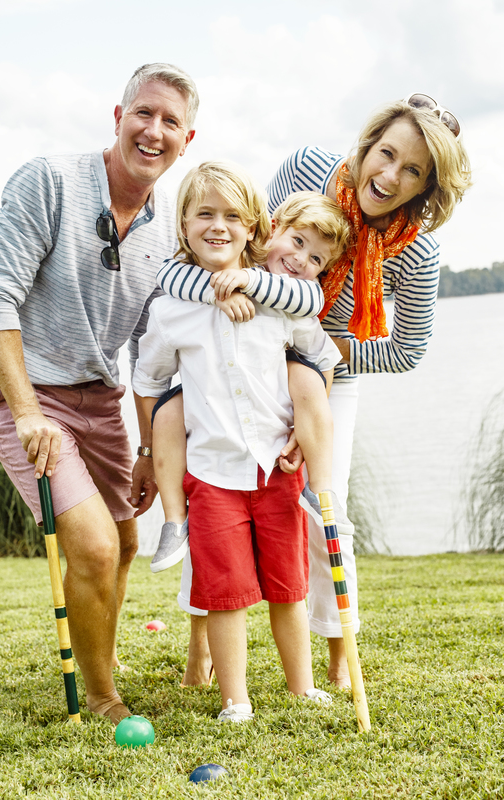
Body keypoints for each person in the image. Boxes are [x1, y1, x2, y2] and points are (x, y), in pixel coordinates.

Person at [163, 94, 472, 688]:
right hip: (243, 357)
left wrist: (319, 355)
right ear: (368, 143)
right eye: (387, 154)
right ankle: (201, 645)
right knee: (214, 494)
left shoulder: (419, 251)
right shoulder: (306, 168)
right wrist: (245, 319)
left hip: (330, 377)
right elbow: (245, 248)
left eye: (412, 171)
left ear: (428, 187)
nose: (390, 176)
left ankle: (337, 652)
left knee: (326, 508)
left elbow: (407, 350)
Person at [0, 63, 198, 723]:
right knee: (94, 547)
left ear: (187, 140)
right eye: (143, 113)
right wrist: (26, 414)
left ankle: (103, 654)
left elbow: (148, 351)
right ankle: (101, 697)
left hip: (101, 399)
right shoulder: (48, 181)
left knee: (124, 544)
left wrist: (150, 451)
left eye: (170, 122)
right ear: (119, 116)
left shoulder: (170, 228)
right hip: (25, 394)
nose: (153, 131)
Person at [132, 161, 341, 720]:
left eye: (232, 216)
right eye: (204, 214)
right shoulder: (172, 309)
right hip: (212, 476)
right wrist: (153, 445)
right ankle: (235, 699)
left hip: (276, 471)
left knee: (288, 586)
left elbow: (322, 354)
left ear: (253, 228)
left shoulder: (280, 301)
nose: (218, 226)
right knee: (224, 594)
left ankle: (302, 686)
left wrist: (303, 426)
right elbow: (148, 379)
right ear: (184, 225)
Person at [149, 191, 354, 579]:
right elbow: (168, 274)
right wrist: (219, 292)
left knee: (308, 379)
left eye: (316, 260)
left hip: (276, 387)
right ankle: (174, 521)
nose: (301, 260)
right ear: (272, 230)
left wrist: (304, 427)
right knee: (168, 412)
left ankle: (321, 490)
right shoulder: (235, 256)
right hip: (218, 395)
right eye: (297, 242)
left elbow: (314, 312)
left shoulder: (297, 292)